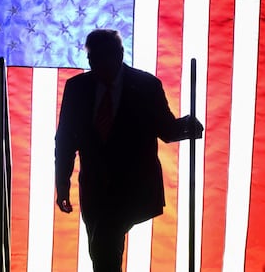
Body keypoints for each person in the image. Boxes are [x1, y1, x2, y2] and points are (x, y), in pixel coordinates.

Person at [54, 29, 203, 272]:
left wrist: (187, 126)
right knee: (101, 250)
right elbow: (65, 141)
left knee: (104, 247)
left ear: (119, 55)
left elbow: (165, 130)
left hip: (132, 187)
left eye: (102, 57)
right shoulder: (77, 88)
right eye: (92, 59)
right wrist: (62, 184)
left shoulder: (146, 85)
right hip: (94, 189)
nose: (97, 64)